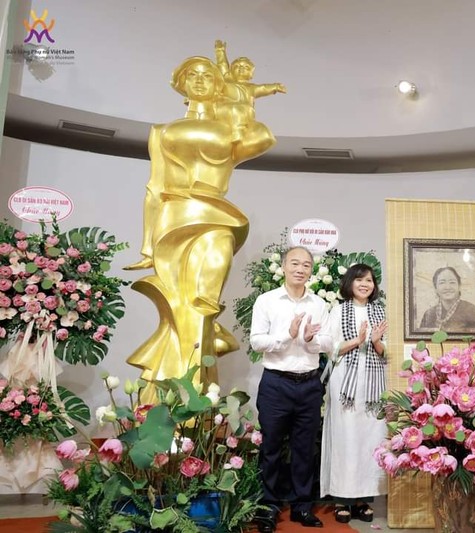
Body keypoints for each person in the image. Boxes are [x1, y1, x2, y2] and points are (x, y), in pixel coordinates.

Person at [125, 55, 276, 401]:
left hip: (217, 218)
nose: (199, 78)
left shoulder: (234, 130)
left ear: (219, 83)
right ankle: (181, 394)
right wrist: (147, 247)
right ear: (179, 82)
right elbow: (153, 187)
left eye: (207, 74)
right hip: (173, 220)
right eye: (190, 74)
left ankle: (192, 393)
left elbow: (262, 137)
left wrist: (239, 102)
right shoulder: (162, 131)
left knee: (203, 300)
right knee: (177, 303)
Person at [250, 246, 333, 532]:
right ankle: (268, 508)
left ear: (311, 270)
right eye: (295, 263)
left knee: (304, 449)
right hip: (276, 383)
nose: (301, 269)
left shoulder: (319, 303)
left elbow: (329, 342)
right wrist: (288, 335)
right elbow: (256, 341)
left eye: (306, 265)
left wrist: (310, 339)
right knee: (271, 448)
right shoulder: (267, 300)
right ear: (284, 267)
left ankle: (301, 507)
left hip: (309, 383)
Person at [320, 264, 388, 524]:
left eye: (369, 280)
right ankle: (342, 498)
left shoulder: (380, 311)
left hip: (373, 385)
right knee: (345, 438)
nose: (364, 284)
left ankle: (364, 499)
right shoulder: (337, 311)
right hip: (344, 382)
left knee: (371, 439)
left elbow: (386, 352)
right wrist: (356, 343)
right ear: (350, 283)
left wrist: (375, 342)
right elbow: (330, 349)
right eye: (359, 279)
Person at [214, 40, 286, 141]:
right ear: (231, 71)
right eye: (237, 66)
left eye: (245, 67)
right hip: (225, 111)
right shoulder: (227, 80)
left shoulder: (251, 88)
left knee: (242, 111)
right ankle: (236, 133)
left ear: (251, 74)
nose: (241, 69)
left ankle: (240, 133)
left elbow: (263, 88)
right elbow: (222, 65)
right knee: (235, 110)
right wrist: (220, 51)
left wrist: (275, 86)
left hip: (245, 113)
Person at [419, 266, 475, 332]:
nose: (447, 287)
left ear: (459, 286)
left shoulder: (472, 311)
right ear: (435, 288)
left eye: (452, 282)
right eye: (442, 282)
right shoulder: (429, 314)